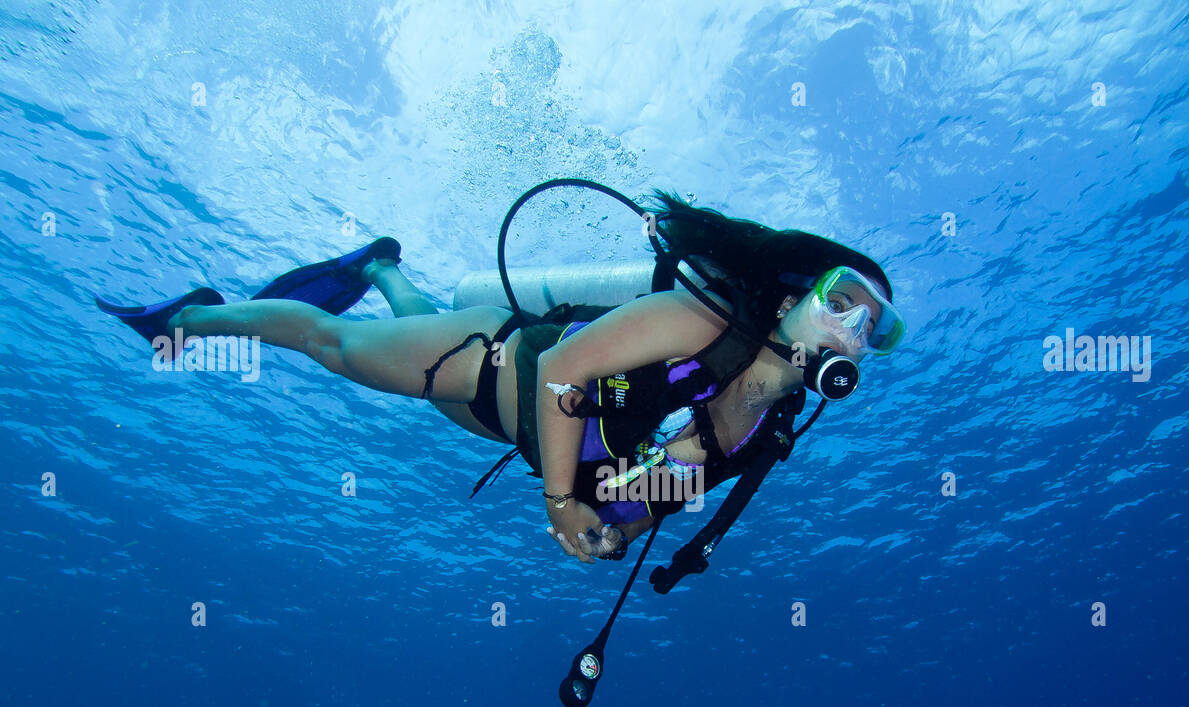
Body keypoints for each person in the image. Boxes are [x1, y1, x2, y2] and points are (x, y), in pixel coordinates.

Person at [96, 191, 904, 566]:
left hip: (509, 431)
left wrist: (610, 530)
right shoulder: (702, 322)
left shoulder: (767, 430)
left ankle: (383, 266)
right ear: (795, 297)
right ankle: (190, 318)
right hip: (493, 358)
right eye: (844, 301)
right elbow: (560, 366)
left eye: (877, 327)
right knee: (334, 344)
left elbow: (659, 483)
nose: (856, 330)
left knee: (389, 338)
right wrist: (560, 501)